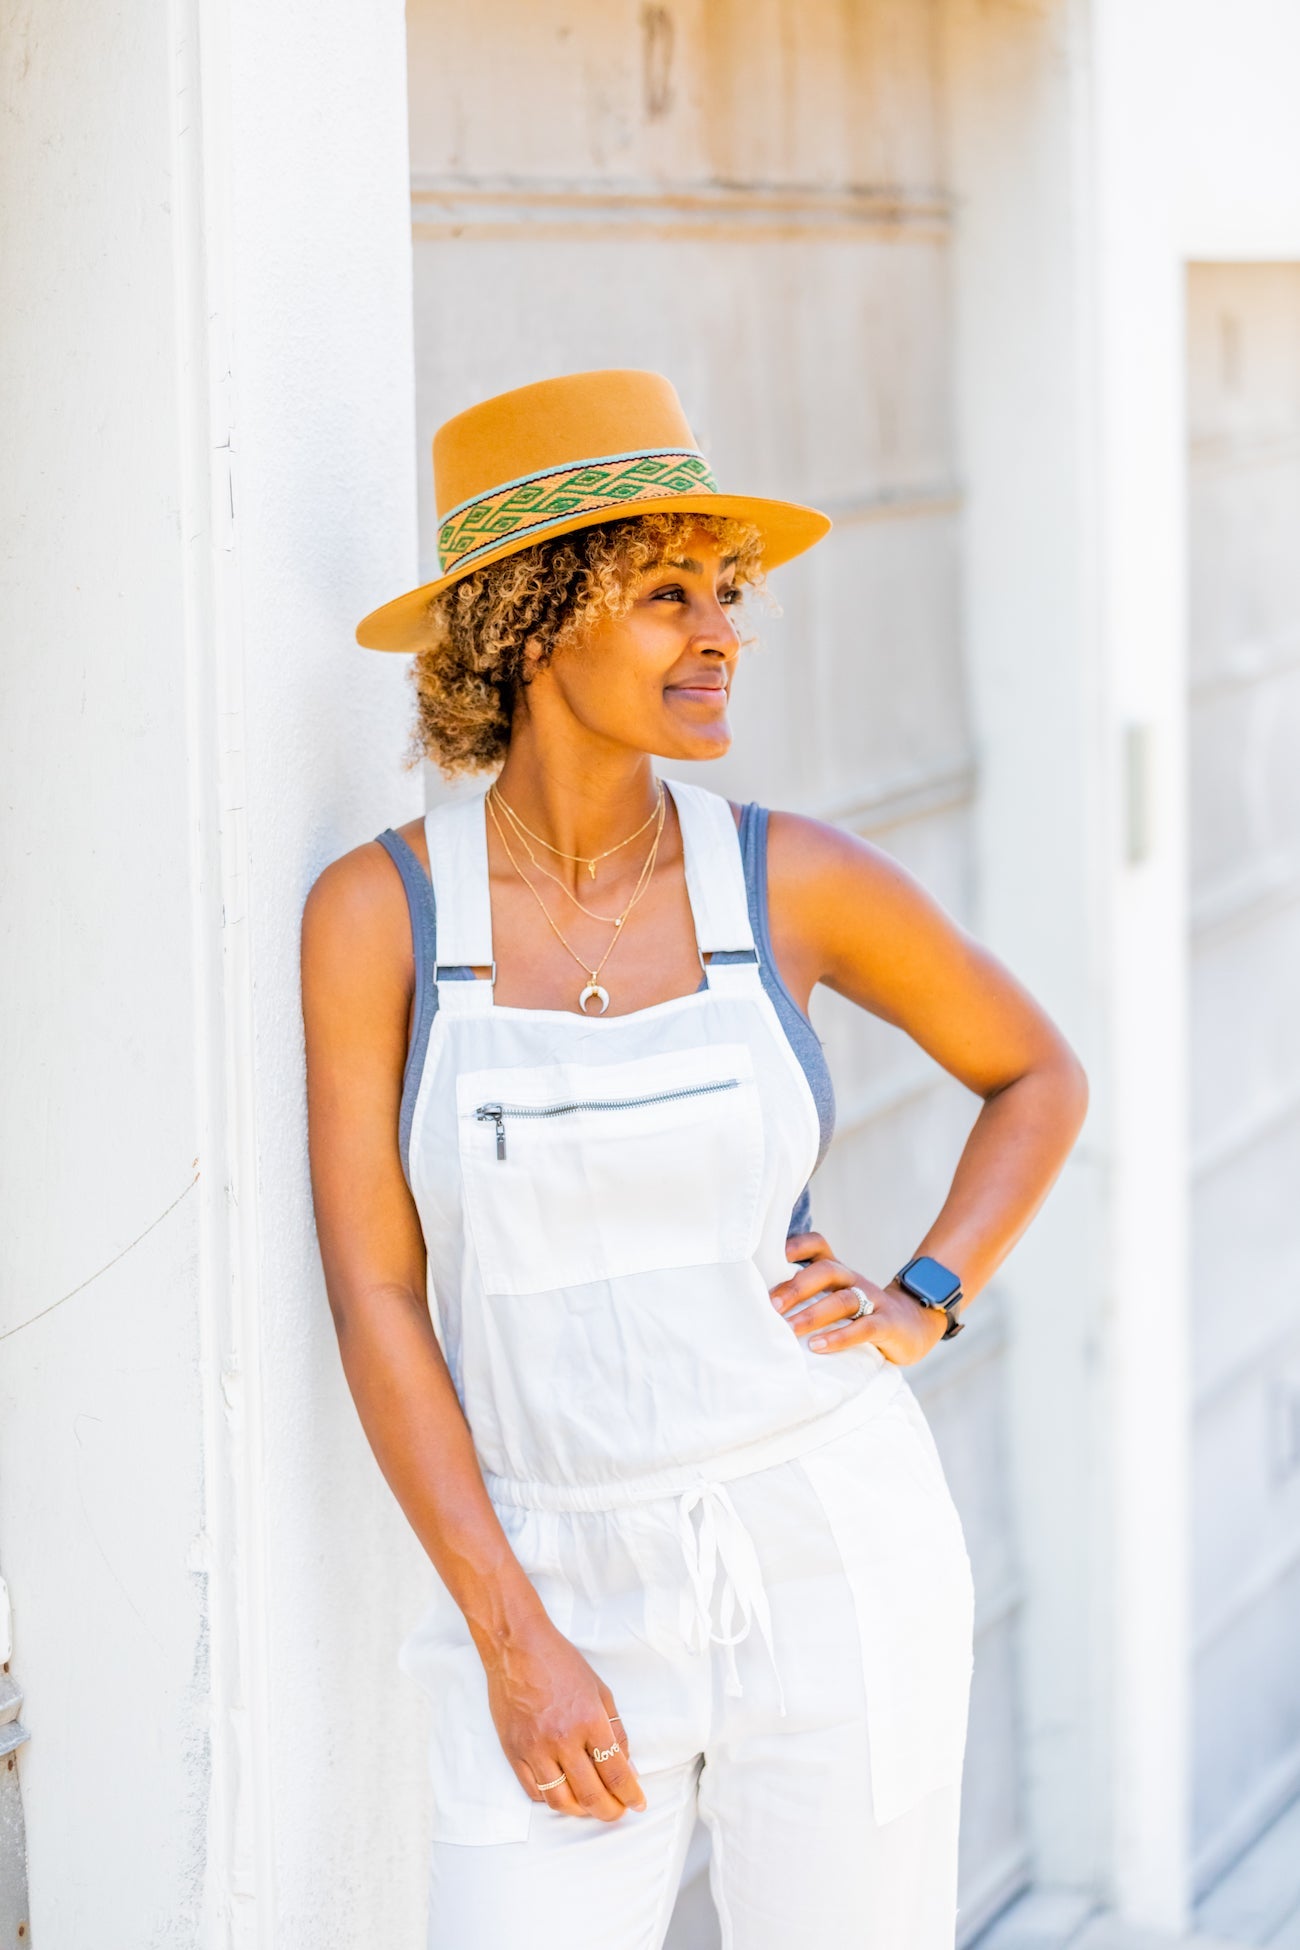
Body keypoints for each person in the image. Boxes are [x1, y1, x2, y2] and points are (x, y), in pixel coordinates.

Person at [301, 369, 1088, 1948]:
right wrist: (514, 1636)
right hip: (547, 1569)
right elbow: (380, 1293)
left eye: (728, 594)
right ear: (533, 618)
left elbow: (1037, 1072)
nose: (721, 630)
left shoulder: (788, 877)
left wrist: (925, 1295)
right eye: (668, 595)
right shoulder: (381, 915)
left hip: (830, 1551)